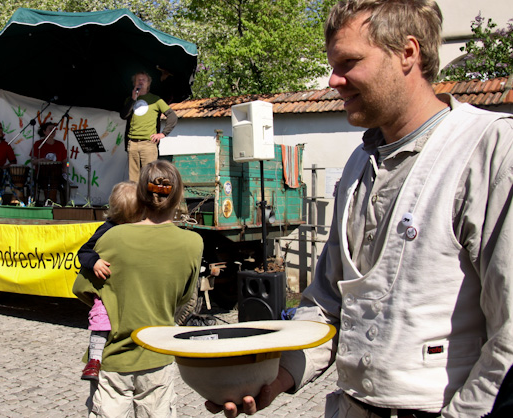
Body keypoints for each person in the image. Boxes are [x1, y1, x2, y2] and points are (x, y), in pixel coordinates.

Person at [207, 1, 513, 417]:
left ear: (408, 53)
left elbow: (509, 336)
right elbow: (328, 300)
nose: (334, 80)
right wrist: (277, 374)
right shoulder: (358, 164)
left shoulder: (489, 149)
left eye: (349, 62)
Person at [73, 160, 203, 417]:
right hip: (157, 356)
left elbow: (84, 290)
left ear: (141, 196)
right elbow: (184, 299)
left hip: (113, 358)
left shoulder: (111, 238)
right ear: (177, 199)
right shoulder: (193, 243)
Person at [77, 181, 143, 381]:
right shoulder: (106, 229)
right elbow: (84, 252)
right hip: (108, 288)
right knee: (101, 320)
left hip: (130, 287)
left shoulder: (140, 229)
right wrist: (95, 262)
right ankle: (94, 360)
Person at [120, 71, 178, 182]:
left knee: (150, 177)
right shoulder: (130, 99)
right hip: (132, 143)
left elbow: (172, 116)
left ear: (148, 83)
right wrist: (133, 99)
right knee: (133, 180)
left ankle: (151, 199)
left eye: (144, 80)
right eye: (138, 80)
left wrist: (163, 133)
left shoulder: (156, 100)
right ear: (134, 83)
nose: (141, 82)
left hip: (148, 144)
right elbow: (123, 115)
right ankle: (136, 199)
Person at [30, 122, 68, 205]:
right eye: (50, 129)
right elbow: (33, 161)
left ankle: (58, 205)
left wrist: (65, 169)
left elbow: (66, 161)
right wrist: (42, 160)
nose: (53, 131)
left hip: (57, 176)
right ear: (44, 131)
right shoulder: (38, 144)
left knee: (64, 185)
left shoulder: (60, 145)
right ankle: (48, 203)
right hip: (41, 175)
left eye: (54, 130)